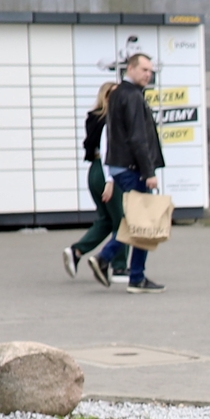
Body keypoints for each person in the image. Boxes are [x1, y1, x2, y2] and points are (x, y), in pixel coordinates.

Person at [94, 52, 167, 292]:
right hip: (132, 167)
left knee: (138, 219)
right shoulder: (133, 96)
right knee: (143, 221)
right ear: (131, 69)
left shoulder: (118, 94)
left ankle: (123, 267)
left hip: (119, 165)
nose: (149, 74)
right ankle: (124, 269)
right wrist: (149, 172)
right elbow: (137, 138)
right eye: (144, 70)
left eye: (150, 71)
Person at [64, 81, 122, 286]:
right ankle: (118, 265)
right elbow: (109, 151)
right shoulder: (111, 120)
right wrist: (111, 180)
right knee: (124, 220)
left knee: (106, 219)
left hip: (94, 171)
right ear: (106, 97)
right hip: (109, 170)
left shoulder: (94, 118)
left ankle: (76, 251)